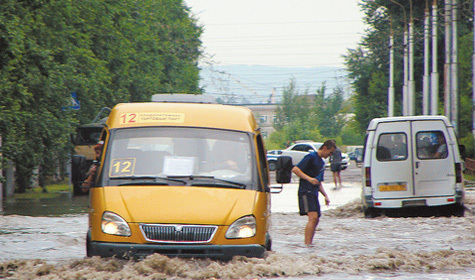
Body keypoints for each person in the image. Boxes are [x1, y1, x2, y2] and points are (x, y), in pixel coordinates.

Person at [291, 140, 335, 245]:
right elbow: (295, 169)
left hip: (314, 192)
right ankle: (307, 244)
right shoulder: (310, 157)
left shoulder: (321, 163)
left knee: (317, 218)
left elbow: (318, 181)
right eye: (330, 153)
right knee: (313, 217)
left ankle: (310, 243)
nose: (330, 156)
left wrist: (325, 195)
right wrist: (309, 179)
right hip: (305, 191)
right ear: (325, 148)